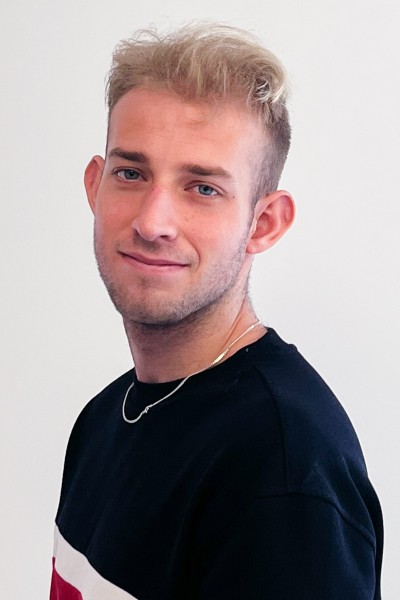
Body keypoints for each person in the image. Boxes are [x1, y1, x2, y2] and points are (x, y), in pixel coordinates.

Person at [51, 24, 383, 599]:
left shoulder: (283, 473)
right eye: (131, 173)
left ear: (264, 223)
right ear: (94, 186)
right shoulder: (104, 419)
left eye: (203, 188)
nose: (153, 222)